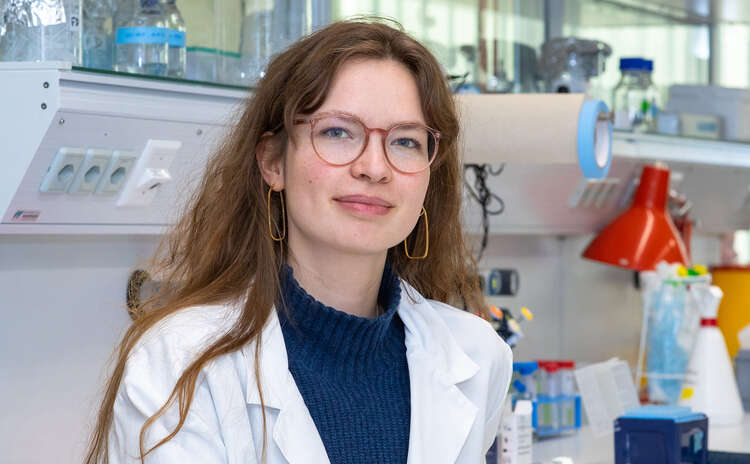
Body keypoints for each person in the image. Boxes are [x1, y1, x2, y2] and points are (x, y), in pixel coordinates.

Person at [86, 18, 512, 464]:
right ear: (273, 162)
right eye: (338, 132)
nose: (374, 168)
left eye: (405, 141)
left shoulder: (477, 357)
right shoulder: (181, 362)